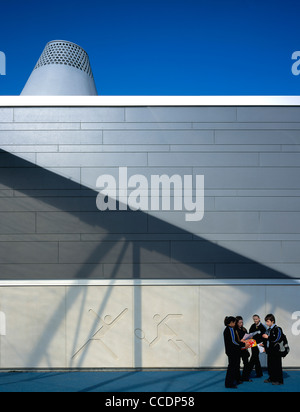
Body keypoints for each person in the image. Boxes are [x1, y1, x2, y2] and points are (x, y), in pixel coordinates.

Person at [223, 316, 249, 389]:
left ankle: (235, 380)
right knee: (232, 367)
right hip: (232, 352)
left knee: (235, 366)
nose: (235, 323)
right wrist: (243, 344)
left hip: (232, 351)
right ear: (231, 323)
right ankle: (229, 383)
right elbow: (234, 341)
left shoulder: (229, 329)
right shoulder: (230, 329)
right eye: (234, 322)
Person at [262, 314, 284, 385]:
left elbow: (278, 338)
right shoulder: (268, 329)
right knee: (270, 365)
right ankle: (272, 378)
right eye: (266, 321)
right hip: (270, 351)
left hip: (276, 351)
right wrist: (264, 345)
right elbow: (267, 340)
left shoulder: (278, 329)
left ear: (272, 321)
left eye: (268, 321)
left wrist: (268, 337)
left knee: (277, 366)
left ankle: (279, 380)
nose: (267, 323)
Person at [235, 316, 251, 382]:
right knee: (237, 364)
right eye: (240, 323)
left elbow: (247, 336)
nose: (241, 324)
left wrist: (249, 337)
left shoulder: (244, 329)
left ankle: (245, 377)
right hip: (238, 349)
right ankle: (238, 379)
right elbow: (234, 341)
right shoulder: (234, 330)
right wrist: (241, 341)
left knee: (246, 363)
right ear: (236, 323)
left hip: (244, 348)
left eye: (242, 322)